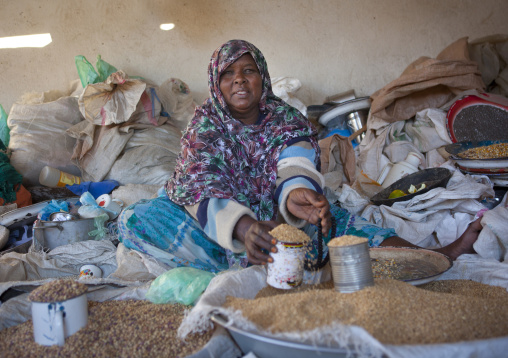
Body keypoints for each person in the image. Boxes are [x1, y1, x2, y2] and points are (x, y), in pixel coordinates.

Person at [117, 39, 482, 274]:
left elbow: (295, 163)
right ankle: (252, 253)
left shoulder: (286, 118)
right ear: (217, 84)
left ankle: (436, 256)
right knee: (140, 219)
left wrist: (296, 196)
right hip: (223, 219)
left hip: (283, 215)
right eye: (228, 74)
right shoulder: (205, 124)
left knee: (343, 228)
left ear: (263, 78)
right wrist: (242, 228)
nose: (239, 80)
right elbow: (199, 185)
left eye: (248, 71)